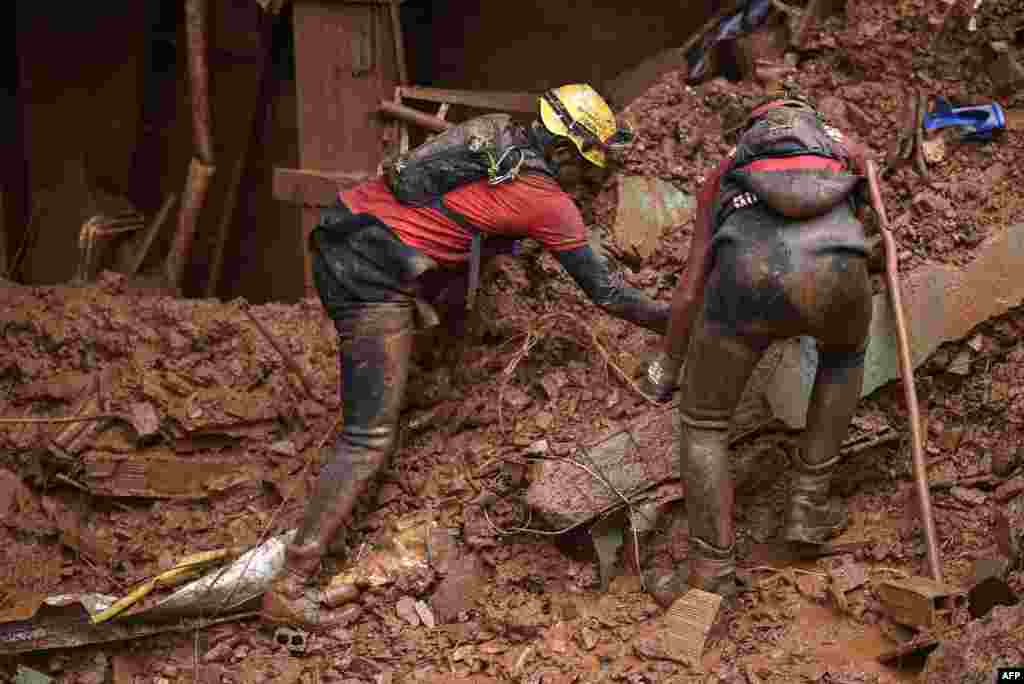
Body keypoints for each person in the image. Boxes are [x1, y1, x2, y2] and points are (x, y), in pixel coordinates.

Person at [262, 84, 670, 629]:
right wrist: (681, 316)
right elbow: (610, 294)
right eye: (587, 165)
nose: (587, 179)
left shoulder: (493, 136)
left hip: (345, 233)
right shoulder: (546, 201)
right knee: (368, 436)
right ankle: (290, 585)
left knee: (436, 303)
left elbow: (456, 217)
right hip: (371, 279)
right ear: (567, 152)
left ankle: (415, 351)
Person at [639, 94, 875, 605]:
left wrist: (666, 366)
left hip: (748, 281)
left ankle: (711, 570)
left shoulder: (727, 170)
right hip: (839, 274)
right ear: (812, 122)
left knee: (703, 423)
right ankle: (808, 510)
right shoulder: (844, 149)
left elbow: (690, 288)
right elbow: (874, 216)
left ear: (752, 131)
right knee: (843, 359)